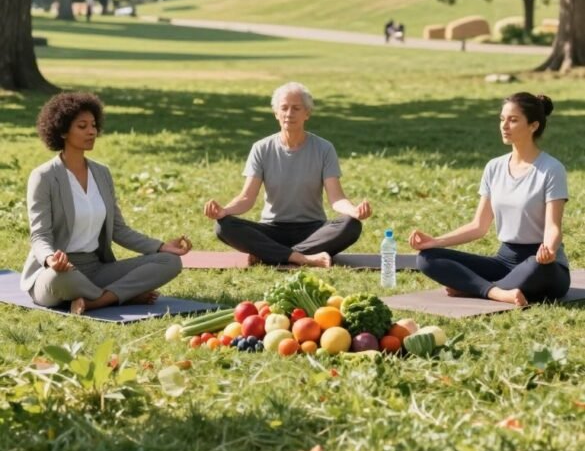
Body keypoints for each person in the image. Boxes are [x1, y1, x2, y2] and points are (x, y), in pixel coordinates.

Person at [21, 92, 191, 314]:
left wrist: (160, 247)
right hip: (59, 272)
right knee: (59, 279)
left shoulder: (102, 173)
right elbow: (40, 236)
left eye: (93, 125)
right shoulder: (43, 176)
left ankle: (97, 301)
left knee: (169, 262)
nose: (91, 131)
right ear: (62, 130)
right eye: (82, 126)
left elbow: (119, 230)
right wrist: (51, 259)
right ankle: (120, 296)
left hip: (96, 269)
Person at [409, 92, 570, 308]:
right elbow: (478, 226)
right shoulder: (494, 167)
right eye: (502, 119)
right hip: (504, 261)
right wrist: (436, 241)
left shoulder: (551, 169)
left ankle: (476, 288)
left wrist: (549, 249)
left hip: (543, 265)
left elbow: (553, 226)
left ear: (533, 126)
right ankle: (497, 291)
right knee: (427, 258)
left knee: (534, 267)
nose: (504, 126)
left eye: (513, 120)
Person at [203, 81, 372, 267]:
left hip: (313, 230)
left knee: (351, 225)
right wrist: (224, 211)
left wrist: (354, 211)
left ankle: (270, 254)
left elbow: (336, 198)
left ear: (307, 113)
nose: (289, 114)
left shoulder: (324, 148)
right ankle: (301, 257)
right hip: (271, 229)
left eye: (296, 108)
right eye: (284, 108)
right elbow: (247, 198)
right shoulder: (261, 148)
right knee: (223, 226)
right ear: (276, 113)